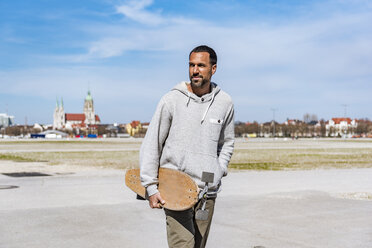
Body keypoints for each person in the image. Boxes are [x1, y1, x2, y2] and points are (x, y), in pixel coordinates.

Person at [140, 45, 235, 248]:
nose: (195, 70)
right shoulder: (171, 100)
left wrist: (219, 169)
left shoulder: (225, 102)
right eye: (191, 65)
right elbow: (152, 143)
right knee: (183, 245)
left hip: (207, 193)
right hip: (174, 189)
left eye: (201, 65)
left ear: (214, 68)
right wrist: (150, 187)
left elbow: (226, 142)